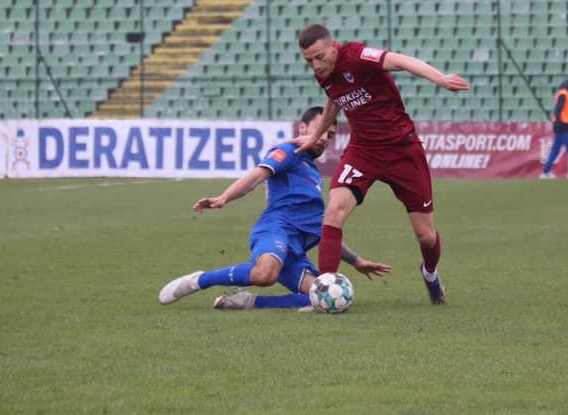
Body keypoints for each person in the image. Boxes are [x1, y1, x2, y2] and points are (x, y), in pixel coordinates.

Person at [293, 24, 470, 305]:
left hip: (402, 150)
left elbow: (402, 61)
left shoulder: (359, 55)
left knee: (425, 236)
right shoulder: (323, 73)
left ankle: (430, 273)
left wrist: (440, 79)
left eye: (319, 57)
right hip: (363, 151)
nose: (315, 65)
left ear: (333, 46)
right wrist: (314, 136)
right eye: (308, 60)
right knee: (334, 212)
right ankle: (323, 293)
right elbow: (334, 100)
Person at [158, 106, 392, 310]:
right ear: (302, 128)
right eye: (320, 130)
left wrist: (357, 261)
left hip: (295, 251)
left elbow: (324, 230)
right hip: (276, 230)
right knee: (265, 274)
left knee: (326, 297)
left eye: (329, 135)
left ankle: (248, 302)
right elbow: (257, 175)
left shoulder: (311, 171)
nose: (323, 138)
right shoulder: (290, 152)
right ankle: (200, 280)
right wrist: (224, 197)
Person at [540, 77, 568, 179]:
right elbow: (558, 110)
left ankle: (545, 171)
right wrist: (558, 123)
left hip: (564, 125)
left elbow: (567, 112)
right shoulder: (564, 94)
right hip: (562, 126)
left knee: (555, 150)